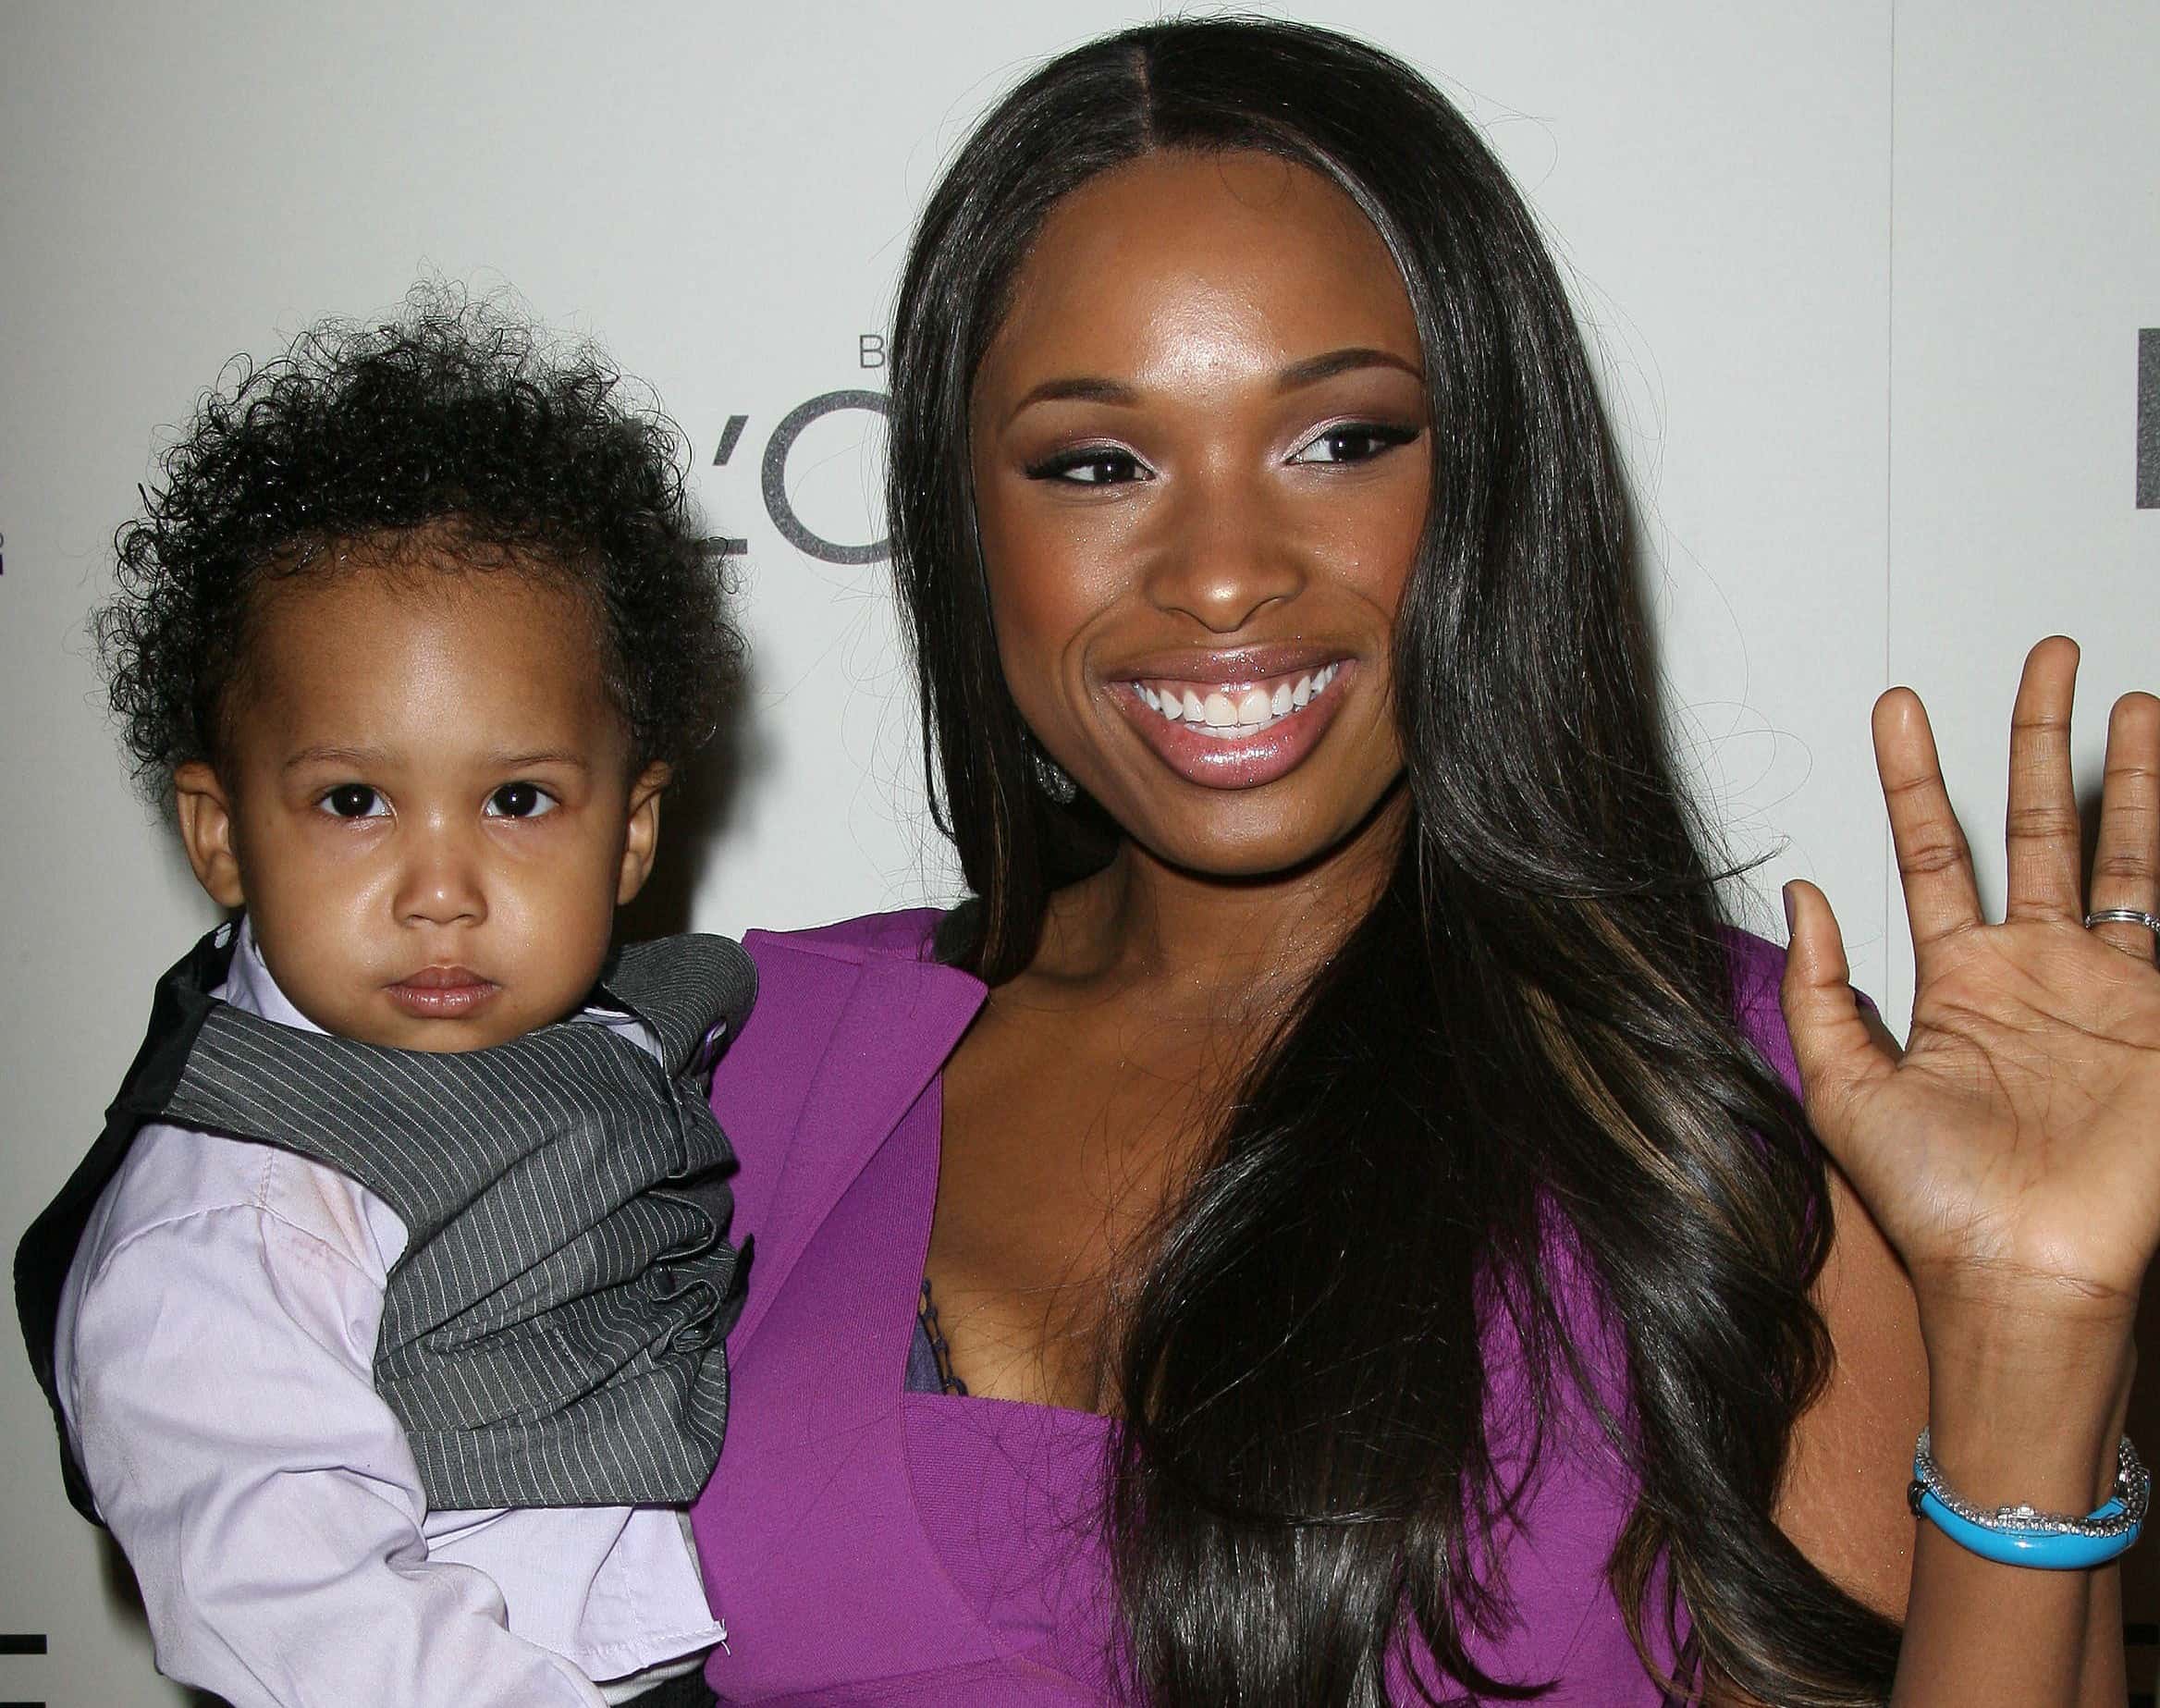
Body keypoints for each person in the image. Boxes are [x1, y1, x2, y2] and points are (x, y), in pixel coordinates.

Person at [682, 18, 2155, 1707]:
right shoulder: (740, 1068)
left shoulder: (1719, 1115)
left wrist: (2034, 1342)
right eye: (1098, 463)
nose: (1222, 573)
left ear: (1493, 484)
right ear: (967, 524)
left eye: (1343, 440)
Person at [15, 294, 754, 1708]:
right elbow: (295, 1611)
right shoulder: (236, 1216)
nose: (442, 889)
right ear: (223, 830)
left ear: (634, 832)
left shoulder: (621, 1030)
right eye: (355, 801)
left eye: (519, 800)